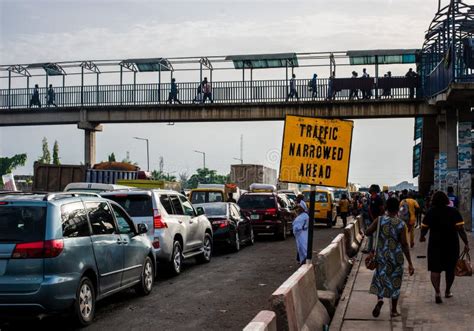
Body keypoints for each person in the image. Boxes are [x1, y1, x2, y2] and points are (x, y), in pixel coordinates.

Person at [366, 197, 415, 318]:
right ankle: (393, 310)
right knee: (395, 281)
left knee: (380, 278)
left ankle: (380, 300)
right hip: (395, 257)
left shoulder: (380, 220)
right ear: (398, 208)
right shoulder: (400, 224)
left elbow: (367, 232)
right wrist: (410, 262)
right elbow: (404, 244)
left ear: (386, 207)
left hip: (381, 256)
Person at [420, 191, 470, 304]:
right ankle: (447, 291)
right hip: (451, 244)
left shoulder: (431, 212)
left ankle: (437, 292)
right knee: (450, 268)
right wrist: (466, 243)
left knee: (435, 269)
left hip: (435, 244)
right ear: (447, 200)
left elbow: (424, 228)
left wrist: (422, 237)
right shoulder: (454, 211)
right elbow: (461, 229)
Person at [363, 184, 385, 253]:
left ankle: (376, 250)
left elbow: (382, 209)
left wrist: (378, 217)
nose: (369, 189)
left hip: (377, 220)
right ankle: (369, 249)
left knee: (376, 235)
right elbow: (369, 208)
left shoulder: (378, 199)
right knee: (370, 235)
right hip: (370, 219)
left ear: (374, 190)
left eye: (370, 188)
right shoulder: (370, 198)